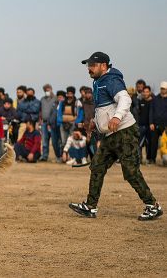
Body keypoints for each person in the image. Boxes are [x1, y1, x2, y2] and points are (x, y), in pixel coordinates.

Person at [69, 51, 162, 221]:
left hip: (125, 132)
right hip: (110, 135)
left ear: (103, 66)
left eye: (92, 65)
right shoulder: (98, 82)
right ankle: (90, 206)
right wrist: (95, 125)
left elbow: (125, 100)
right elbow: (104, 110)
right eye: (88, 65)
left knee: (131, 171)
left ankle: (153, 206)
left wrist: (117, 117)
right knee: (97, 166)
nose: (89, 68)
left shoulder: (111, 80)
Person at [149, 81, 167, 164]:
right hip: (155, 125)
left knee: (164, 143)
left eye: (164, 89)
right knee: (154, 143)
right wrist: (151, 123)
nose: (162, 90)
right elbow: (151, 111)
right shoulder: (155, 99)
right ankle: (152, 159)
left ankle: (164, 159)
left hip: (165, 126)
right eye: (161, 88)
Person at [39, 84, 56, 161]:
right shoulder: (42, 99)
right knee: (44, 140)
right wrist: (40, 120)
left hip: (52, 123)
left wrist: (53, 95)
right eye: (45, 90)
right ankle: (44, 156)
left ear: (51, 89)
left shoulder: (55, 98)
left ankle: (58, 156)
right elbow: (40, 110)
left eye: (48, 89)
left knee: (54, 140)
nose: (47, 91)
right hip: (44, 123)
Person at [138, 86, 153, 163]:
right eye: (144, 92)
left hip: (150, 126)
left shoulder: (153, 102)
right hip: (141, 126)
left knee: (148, 143)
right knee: (139, 143)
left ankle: (148, 159)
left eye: (147, 92)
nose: (145, 93)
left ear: (150, 92)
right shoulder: (140, 101)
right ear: (143, 93)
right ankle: (139, 159)